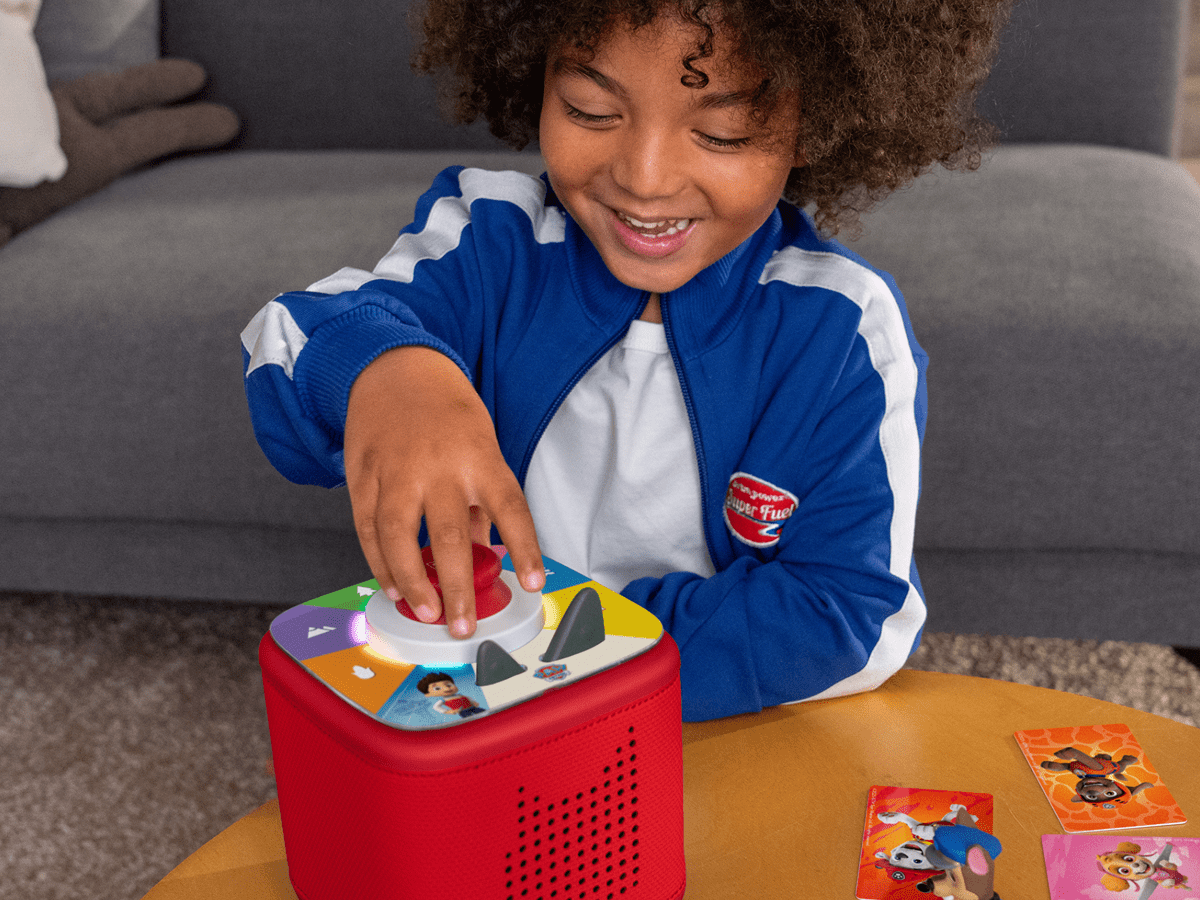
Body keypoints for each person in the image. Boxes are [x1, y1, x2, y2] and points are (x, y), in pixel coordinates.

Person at [241, 0, 1013, 720]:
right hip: (474, 704)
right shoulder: (490, 238)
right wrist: (392, 374)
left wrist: (579, 654)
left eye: (723, 132)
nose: (644, 179)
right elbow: (289, 338)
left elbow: (852, 615)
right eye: (590, 111)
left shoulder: (843, 332)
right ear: (533, 71)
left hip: (693, 725)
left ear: (816, 123)